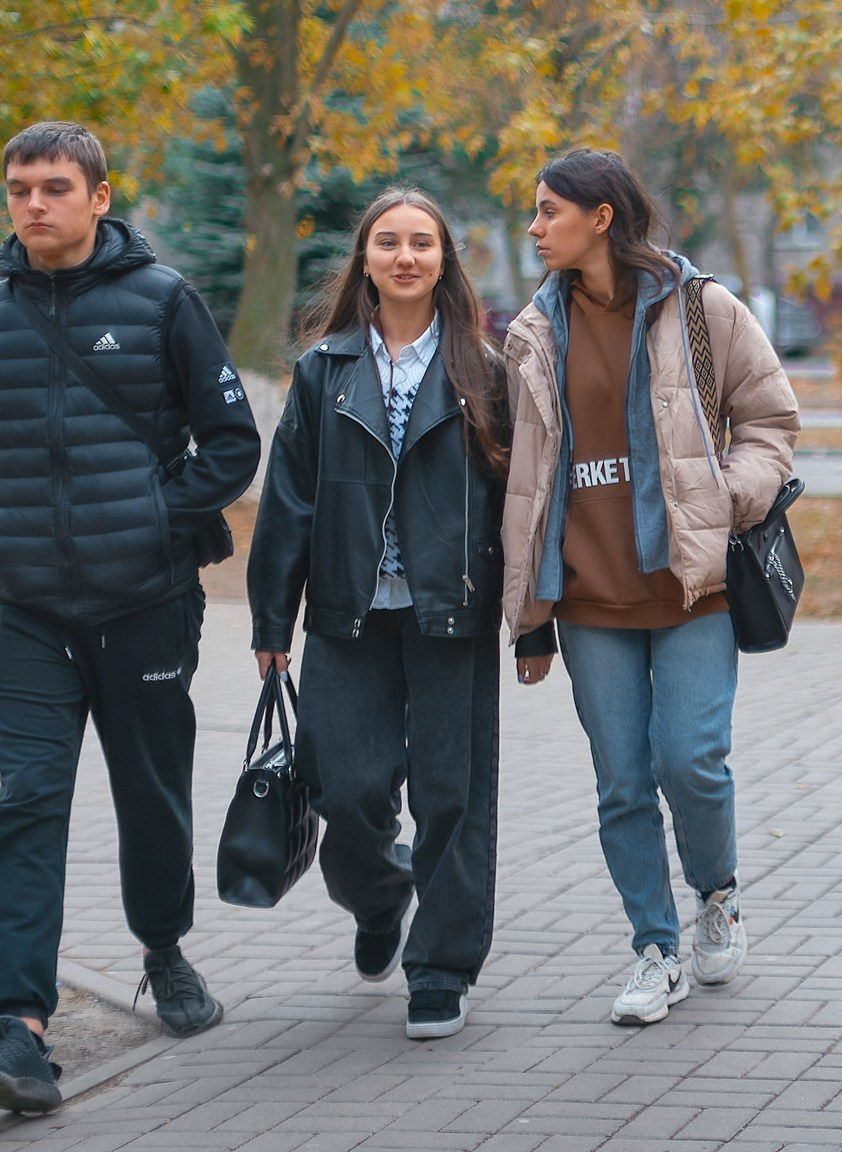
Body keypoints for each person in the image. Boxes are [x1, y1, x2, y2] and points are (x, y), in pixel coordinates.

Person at [501, 148, 798, 1027]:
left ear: (600, 217)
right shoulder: (533, 331)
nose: (533, 226)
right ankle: (653, 947)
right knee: (622, 781)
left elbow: (771, 418)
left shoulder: (701, 306)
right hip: (591, 595)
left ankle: (717, 894)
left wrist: (724, 498)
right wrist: (528, 619)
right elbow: (522, 475)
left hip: (690, 584)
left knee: (690, 761)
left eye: (548, 209)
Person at [0, 122, 259, 1114]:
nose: (33, 205)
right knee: (21, 804)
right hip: (21, 608)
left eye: (55, 187)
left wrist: (156, 517)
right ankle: (21, 1024)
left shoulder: (162, 301)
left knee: (150, 792)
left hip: (144, 600)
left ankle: (164, 950)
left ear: (99, 197)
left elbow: (232, 442)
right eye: (19, 188)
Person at [247, 188, 512, 1040]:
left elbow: (517, 501)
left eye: (422, 243)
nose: (406, 257)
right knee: (348, 791)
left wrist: (533, 617)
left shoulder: (484, 369)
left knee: (452, 799)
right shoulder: (325, 370)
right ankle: (378, 892)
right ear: (364, 259)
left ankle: (440, 968)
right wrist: (268, 624)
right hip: (347, 617)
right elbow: (288, 502)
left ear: (444, 260)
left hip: (450, 615)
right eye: (388, 243)